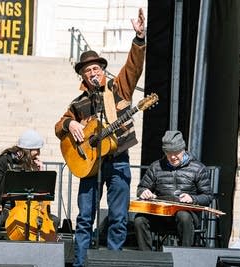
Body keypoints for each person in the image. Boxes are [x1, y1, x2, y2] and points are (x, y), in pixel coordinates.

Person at [54, 8, 146, 266]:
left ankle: (112, 262)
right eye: (88, 70)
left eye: (96, 68)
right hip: (90, 165)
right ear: (83, 76)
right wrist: (70, 122)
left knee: (118, 218)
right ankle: (82, 263)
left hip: (118, 161)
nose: (93, 72)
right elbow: (58, 126)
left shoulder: (118, 88)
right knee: (84, 218)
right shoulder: (79, 102)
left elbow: (133, 67)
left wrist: (139, 39)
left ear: (102, 70)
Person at [133, 130, 213, 250]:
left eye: (176, 152)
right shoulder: (156, 167)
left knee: (183, 216)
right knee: (140, 219)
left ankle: (184, 257)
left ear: (183, 149)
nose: (173, 157)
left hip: (187, 216)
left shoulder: (198, 168)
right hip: (161, 214)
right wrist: (144, 192)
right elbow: (141, 188)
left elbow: (208, 196)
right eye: (168, 153)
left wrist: (192, 198)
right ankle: (147, 257)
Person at [0, 129, 57, 240]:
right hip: (6, 209)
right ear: (27, 150)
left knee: (54, 221)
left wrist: (39, 172)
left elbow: (40, 196)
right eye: (37, 149)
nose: (39, 153)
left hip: (27, 210)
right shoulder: (2, 162)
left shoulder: (32, 164)